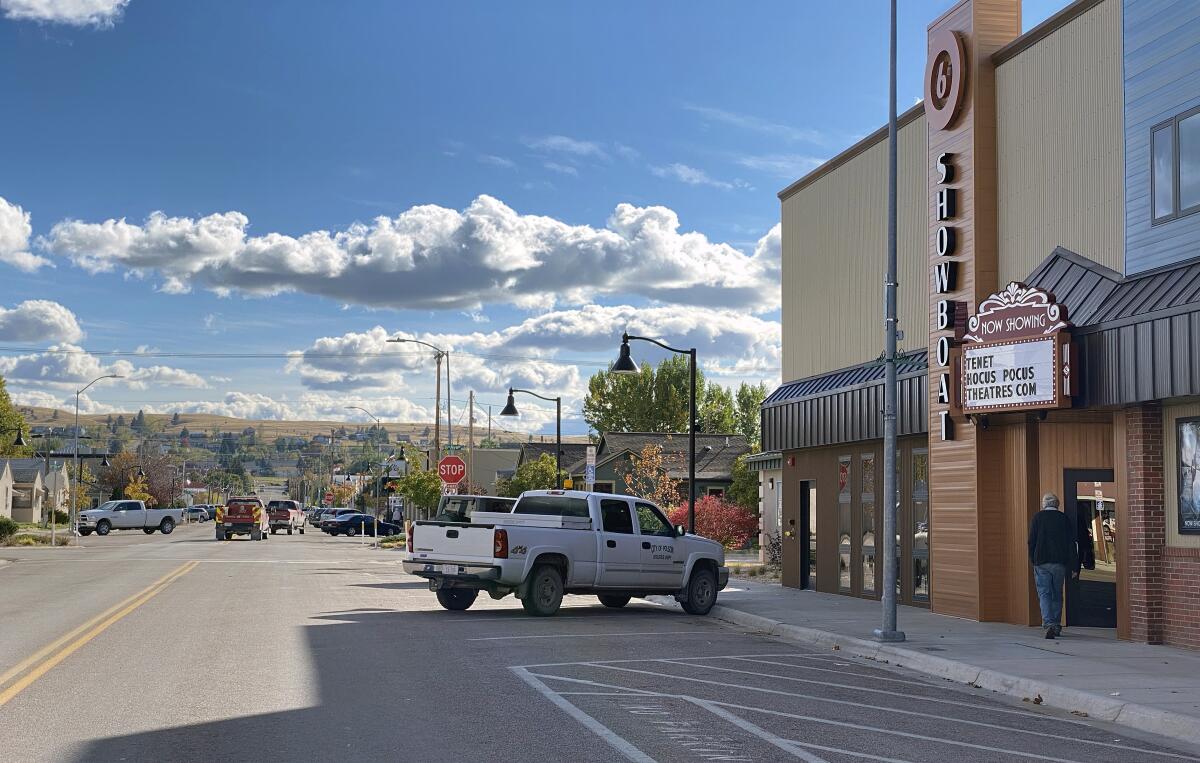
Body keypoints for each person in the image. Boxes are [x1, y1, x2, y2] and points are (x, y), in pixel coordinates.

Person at [1028, 492, 1077, 639]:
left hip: (1041, 562)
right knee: (1057, 593)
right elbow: (1071, 543)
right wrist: (1074, 565)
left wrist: (1033, 559)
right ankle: (1056, 624)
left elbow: (1032, 541)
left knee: (1044, 593)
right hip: (1059, 563)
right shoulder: (1064, 519)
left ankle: (1048, 623)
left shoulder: (1038, 518)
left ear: (1044, 504)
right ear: (1057, 504)